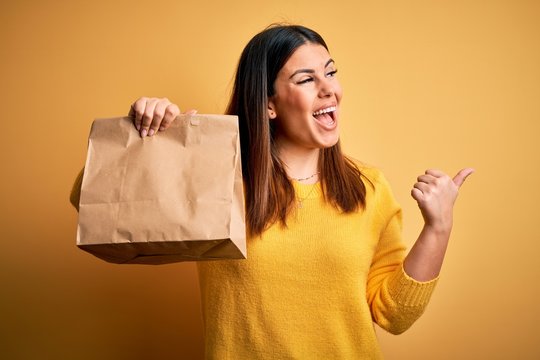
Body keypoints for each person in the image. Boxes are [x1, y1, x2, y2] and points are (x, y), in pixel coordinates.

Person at [73, 24, 473, 359]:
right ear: (269, 105)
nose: (328, 89)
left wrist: (439, 228)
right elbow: (92, 205)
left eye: (331, 73)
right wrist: (151, 139)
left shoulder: (369, 189)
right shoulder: (218, 181)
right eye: (306, 79)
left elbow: (393, 316)